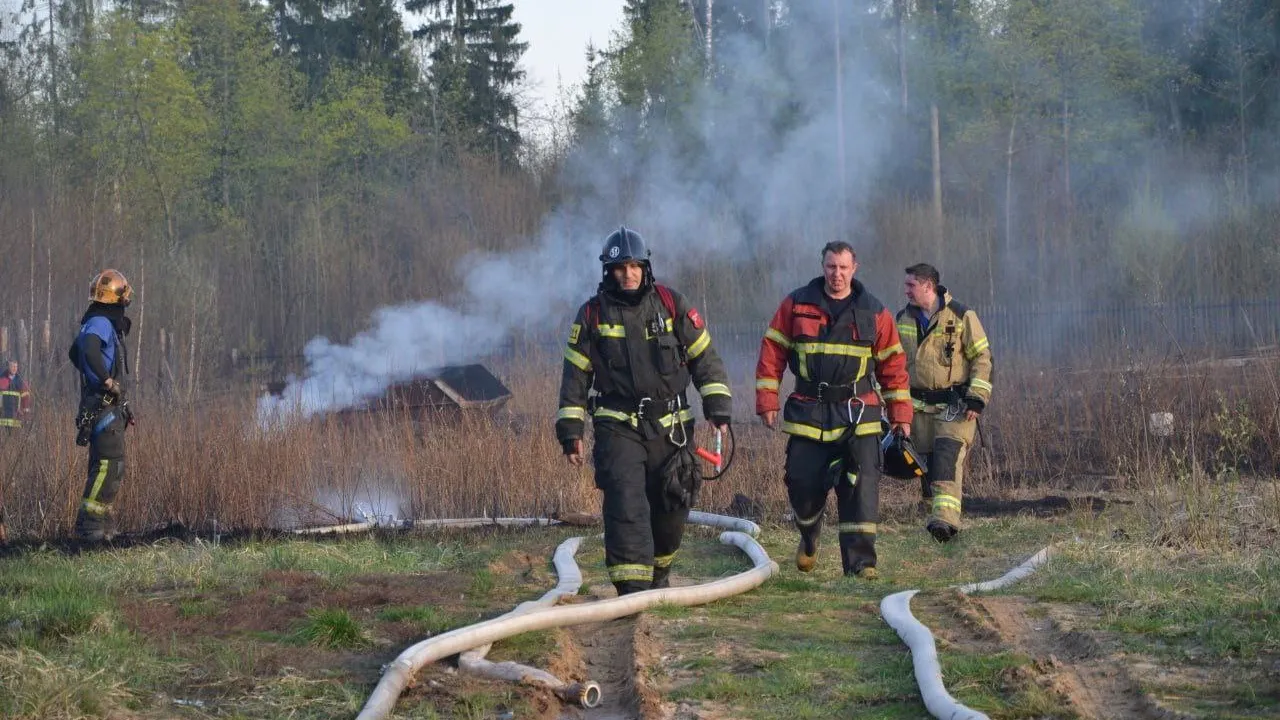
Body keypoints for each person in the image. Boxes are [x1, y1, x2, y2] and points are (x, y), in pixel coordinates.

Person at [556, 227, 733, 595]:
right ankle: (631, 590)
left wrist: (718, 406)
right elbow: (575, 377)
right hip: (618, 427)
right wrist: (570, 432)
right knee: (625, 501)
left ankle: (659, 572)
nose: (629, 274)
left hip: (671, 428)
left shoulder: (671, 304)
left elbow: (705, 359)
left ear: (646, 267)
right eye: (621, 267)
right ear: (608, 271)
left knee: (672, 503)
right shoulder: (592, 315)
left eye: (635, 265)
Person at [755, 242, 912, 579]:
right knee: (802, 483)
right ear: (822, 266)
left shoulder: (874, 312)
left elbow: (893, 365)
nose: (836, 274)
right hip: (809, 412)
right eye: (830, 267)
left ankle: (861, 566)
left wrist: (901, 415)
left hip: (860, 413)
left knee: (861, 488)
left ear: (854, 268)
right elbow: (773, 350)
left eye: (842, 267)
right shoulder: (797, 304)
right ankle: (810, 536)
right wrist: (767, 399)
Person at [897, 263, 993, 543]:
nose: (906, 291)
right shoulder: (902, 319)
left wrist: (977, 397)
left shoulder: (962, 316)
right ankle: (933, 514)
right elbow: (891, 365)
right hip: (917, 410)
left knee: (946, 459)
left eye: (910, 285)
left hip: (956, 408)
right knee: (925, 467)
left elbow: (983, 359)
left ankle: (945, 522)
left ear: (928, 286)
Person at [68, 269, 135, 543]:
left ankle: (102, 526)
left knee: (110, 466)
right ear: (114, 300)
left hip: (109, 407)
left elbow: (75, 353)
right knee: (108, 466)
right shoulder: (99, 322)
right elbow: (87, 350)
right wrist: (105, 381)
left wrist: (122, 401)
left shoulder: (100, 322)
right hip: (102, 406)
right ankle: (89, 527)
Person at [0, 359, 32, 429]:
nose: (14, 368)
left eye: (16, 366)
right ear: (8, 367)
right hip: (2, 417)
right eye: (12, 366)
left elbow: (26, 399)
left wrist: (26, 415)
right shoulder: (1, 379)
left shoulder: (21, 381)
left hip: (16, 417)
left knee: (14, 438)